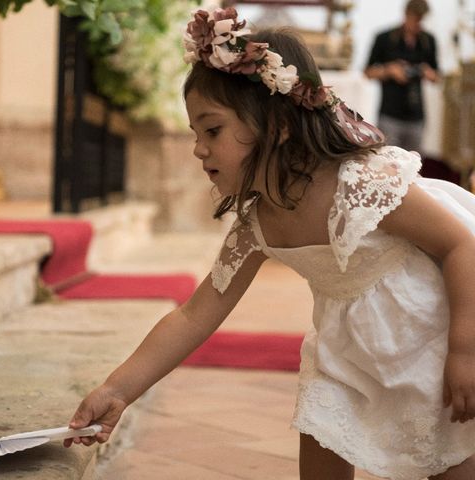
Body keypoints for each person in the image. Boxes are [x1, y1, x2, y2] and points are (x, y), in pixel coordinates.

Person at [65, 7, 475, 479]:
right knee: (323, 429)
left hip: (428, 339)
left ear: (277, 125)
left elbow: (461, 246)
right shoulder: (256, 224)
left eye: (212, 130)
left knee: (447, 461)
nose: (199, 148)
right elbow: (194, 315)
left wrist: (464, 350)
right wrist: (116, 390)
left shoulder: (360, 184)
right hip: (344, 352)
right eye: (196, 133)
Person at [364, 0, 439, 153]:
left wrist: (426, 72)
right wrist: (389, 70)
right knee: (387, 161)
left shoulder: (428, 41)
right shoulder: (384, 38)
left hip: (416, 115)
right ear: (406, 14)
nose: (418, 23)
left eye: (422, 19)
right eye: (415, 18)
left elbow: (437, 77)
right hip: (390, 114)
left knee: (414, 164)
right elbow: (367, 72)